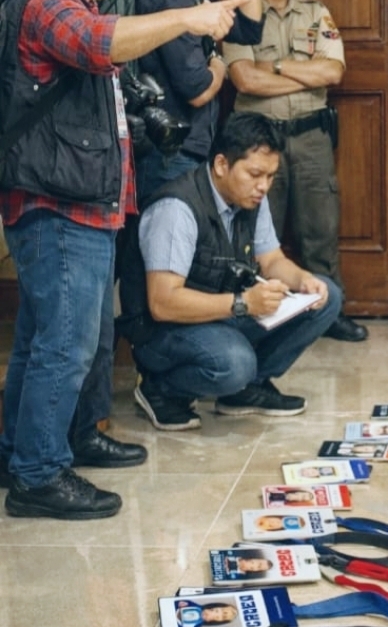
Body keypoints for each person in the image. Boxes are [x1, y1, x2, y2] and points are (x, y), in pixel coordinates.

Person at [0, 0, 247, 520]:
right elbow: (97, 42)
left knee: (50, 339)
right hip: (59, 204)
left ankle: (51, 443)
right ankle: (37, 475)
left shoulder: (68, 1)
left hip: (79, 199)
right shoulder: (44, 3)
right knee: (64, 344)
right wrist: (189, 19)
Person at [120, 111, 341, 430]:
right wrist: (244, 304)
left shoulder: (250, 198)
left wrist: (303, 280)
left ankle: (246, 390)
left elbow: (271, 260)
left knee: (327, 296)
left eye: (270, 176)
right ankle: (161, 390)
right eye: (255, 174)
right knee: (235, 362)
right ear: (222, 165)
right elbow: (162, 303)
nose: (263, 186)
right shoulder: (176, 209)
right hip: (162, 330)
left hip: (220, 311)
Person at [223, 0, 368, 344]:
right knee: (255, 231)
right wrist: (304, 74)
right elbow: (244, 80)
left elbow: (332, 72)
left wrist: (276, 66)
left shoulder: (315, 12)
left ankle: (330, 310)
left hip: (310, 136)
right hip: (258, 140)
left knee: (321, 227)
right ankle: (260, 314)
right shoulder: (240, 16)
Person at [131, 0, 263, 201]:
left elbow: (248, 30)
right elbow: (198, 90)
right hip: (168, 156)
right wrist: (218, 60)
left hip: (177, 152)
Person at [174, 599, 239, 627]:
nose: (210, 614)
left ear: (212, 622)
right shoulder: (189, 603)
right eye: (214, 610)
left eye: (216, 617)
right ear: (212, 606)